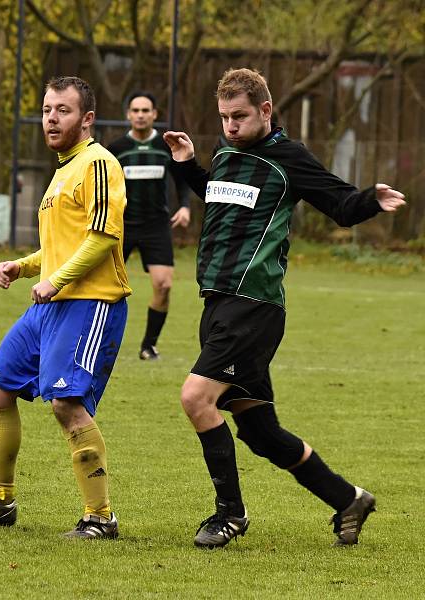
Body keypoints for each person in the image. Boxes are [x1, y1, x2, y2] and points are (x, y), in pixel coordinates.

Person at [163, 67, 405, 548]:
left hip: (253, 305)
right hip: (217, 302)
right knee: (259, 430)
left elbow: (338, 204)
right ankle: (348, 499)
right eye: (225, 117)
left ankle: (229, 514)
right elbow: (220, 199)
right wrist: (189, 165)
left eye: (240, 116)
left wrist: (370, 201)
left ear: (266, 110)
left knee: (196, 398)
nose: (230, 126)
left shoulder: (287, 158)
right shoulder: (228, 152)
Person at [0, 76, 131, 539]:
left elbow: (103, 239)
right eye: (47, 109)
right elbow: (60, 248)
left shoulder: (98, 164)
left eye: (62, 110)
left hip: (90, 303)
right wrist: (24, 267)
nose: (51, 117)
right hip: (51, 302)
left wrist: (53, 281)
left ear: (86, 119)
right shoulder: (62, 170)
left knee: (67, 404)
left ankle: (100, 518)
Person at [108, 91, 190, 361]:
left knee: (164, 285)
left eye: (146, 110)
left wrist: (185, 206)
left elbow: (181, 178)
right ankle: (100, 343)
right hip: (122, 226)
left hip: (156, 226)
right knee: (104, 288)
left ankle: (148, 345)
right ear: (128, 115)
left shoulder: (166, 145)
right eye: (136, 110)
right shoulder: (116, 149)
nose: (141, 115)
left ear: (155, 114)